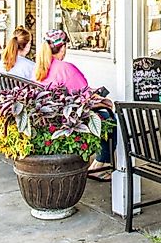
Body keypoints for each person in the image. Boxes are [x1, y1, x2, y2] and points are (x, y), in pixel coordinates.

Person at [34, 29, 115, 180]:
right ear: (63, 47)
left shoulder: (41, 68)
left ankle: (100, 163)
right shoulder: (65, 68)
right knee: (108, 118)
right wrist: (104, 100)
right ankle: (101, 163)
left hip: (50, 116)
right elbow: (85, 97)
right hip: (69, 119)